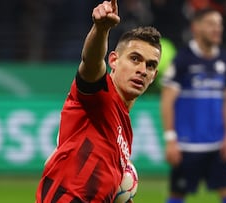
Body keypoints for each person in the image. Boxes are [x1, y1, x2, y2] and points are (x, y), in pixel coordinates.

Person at [34, 0, 162, 202]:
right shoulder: (100, 95)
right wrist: (101, 29)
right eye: (135, 59)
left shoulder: (124, 130)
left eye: (150, 65)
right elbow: (91, 62)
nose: (142, 70)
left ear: (153, 76)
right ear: (113, 60)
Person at [160, 8, 226, 203]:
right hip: (187, 146)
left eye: (219, 24)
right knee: (177, 195)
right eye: (211, 24)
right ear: (196, 27)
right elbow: (167, 100)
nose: (217, 29)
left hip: (217, 146)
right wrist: (171, 139)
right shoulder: (183, 60)